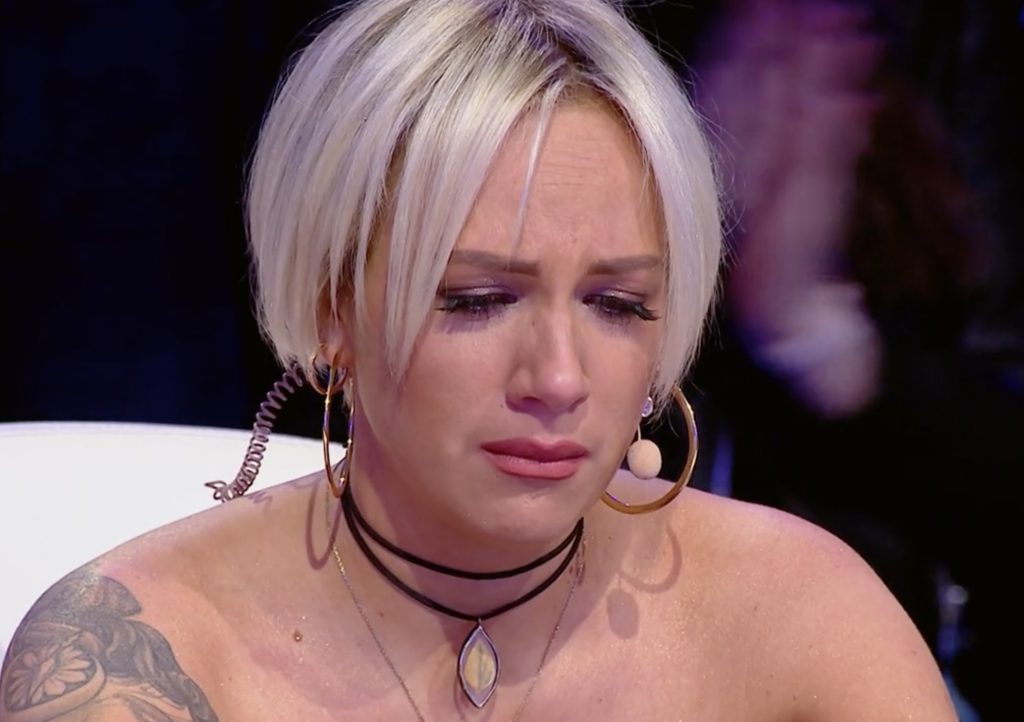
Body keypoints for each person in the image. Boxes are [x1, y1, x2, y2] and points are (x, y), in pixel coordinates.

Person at [0, 1, 956, 720]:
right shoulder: (135, 650)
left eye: (618, 305)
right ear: (333, 305)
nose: (559, 379)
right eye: (477, 299)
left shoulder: (806, 620)